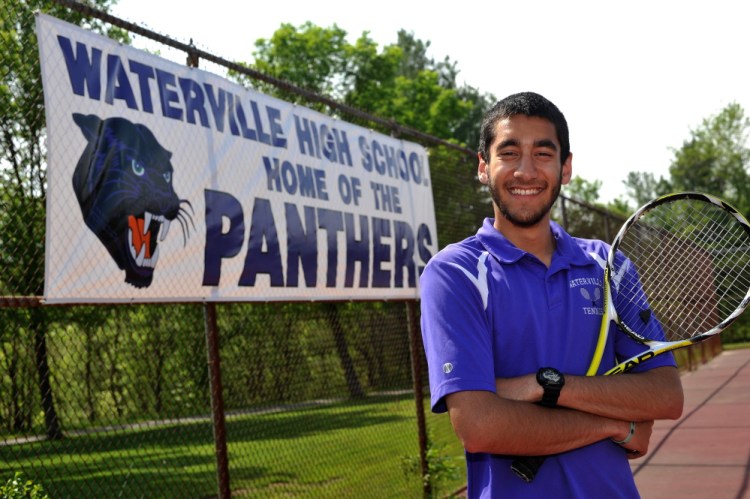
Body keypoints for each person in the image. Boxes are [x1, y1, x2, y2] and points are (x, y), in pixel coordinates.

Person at [419, 91, 684, 498]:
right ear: (483, 167)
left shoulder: (608, 266)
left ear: (566, 168)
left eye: (543, 154)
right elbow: (478, 426)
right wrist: (611, 423)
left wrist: (548, 385)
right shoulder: (454, 273)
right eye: (509, 152)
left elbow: (666, 395)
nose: (526, 171)